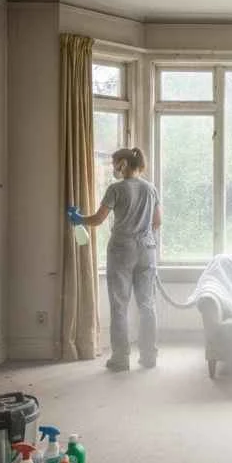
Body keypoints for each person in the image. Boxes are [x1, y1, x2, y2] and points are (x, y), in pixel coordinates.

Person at [67, 147, 162, 371]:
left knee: (120, 305)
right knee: (147, 305)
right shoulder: (151, 188)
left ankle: (120, 359)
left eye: (114, 164)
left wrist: (78, 218)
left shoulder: (116, 189)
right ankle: (149, 357)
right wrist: (144, 235)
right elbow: (157, 221)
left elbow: (98, 219)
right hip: (147, 249)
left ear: (123, 164)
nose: (113, 169)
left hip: (122, 249)